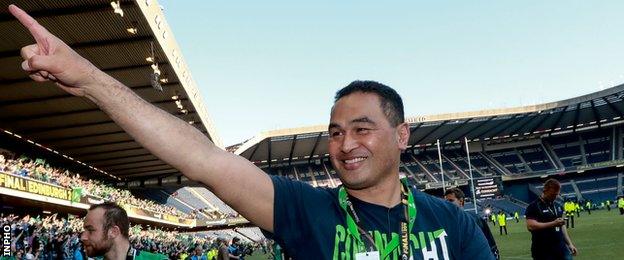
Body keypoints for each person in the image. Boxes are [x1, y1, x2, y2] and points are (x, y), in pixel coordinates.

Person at [8, 5, 493, 259]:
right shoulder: (306, 210)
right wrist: (91, 79)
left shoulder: (452, 226)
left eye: (363, 129)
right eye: (336, 132)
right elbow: (202, 159)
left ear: (402, 135)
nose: (346, 144)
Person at [525, 179, 578, 260]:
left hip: (561, 248)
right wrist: (553, 223)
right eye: (553, 194)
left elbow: (561, 226)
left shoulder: (557, 206)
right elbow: (531, 226)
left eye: (557, 194)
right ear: (545, 191)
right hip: (543, 251)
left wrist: (570, 244)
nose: (555, 197)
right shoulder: (534, 206)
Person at [444, 188, 500, 259]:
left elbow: (491, 243)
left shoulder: (475, 219)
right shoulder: (443, 222)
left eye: (450, 201)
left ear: (461, 201)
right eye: (445, 201)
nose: (446, 203)